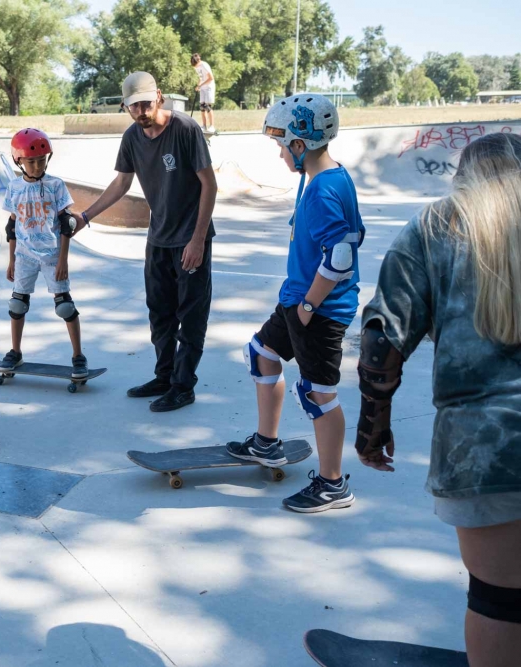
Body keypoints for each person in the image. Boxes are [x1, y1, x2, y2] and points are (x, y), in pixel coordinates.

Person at [357, 132, 521, 667]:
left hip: (482, 451)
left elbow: (382, 341)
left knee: (499, 601)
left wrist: (372, 430)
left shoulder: (436, 225)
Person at [228, 93, 364, 513]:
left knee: (319, 393)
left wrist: (307, 306)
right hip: (297, 300)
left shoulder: (324, 189)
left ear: (300, 144)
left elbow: (340, 256)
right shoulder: (323, 175)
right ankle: (267, 444)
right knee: (262, 352)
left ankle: (332, 484)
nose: (279, 152)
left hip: (317, 310)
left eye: (281, 144)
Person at [77, 71, 217, 413]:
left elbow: (209, 186)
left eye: (145, 103)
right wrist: (85, 216)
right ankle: (165, 376)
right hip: (158, 238)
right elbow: (121, 183)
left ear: (159, 97)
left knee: (191, 314)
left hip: (190, 237)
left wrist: (198, 240)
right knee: (160, 313)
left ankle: (183, 386)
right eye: (133, 106)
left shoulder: (185, 129)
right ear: (126, 107)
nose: (141, 111)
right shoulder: (131, 138)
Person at [0, 128, 86, 378]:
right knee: (17, 304)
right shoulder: (14, 187)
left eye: (41, 161)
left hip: (51, 255)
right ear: (19, 160)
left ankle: (78, 356)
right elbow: (12, 226)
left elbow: (67, 224)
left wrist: (63, 260)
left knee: (65, 307)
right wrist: (11, 260)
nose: (37, 166)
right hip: (24, 256)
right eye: (31, 161)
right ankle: (15, 352)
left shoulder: (56, 185)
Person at [191, 54, 216, 133]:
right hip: (202, 88)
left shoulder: (204, 65)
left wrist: (201, 85)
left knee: (208, 107)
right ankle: (204, 126)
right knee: (202, 107)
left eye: (195, 64)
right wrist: (198, 85)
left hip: (209, 87)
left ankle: (212, 126)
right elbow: (201, 78)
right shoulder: (196, 67)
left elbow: (211, 78)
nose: (195, 66)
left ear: (198, 60)